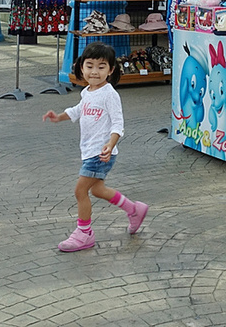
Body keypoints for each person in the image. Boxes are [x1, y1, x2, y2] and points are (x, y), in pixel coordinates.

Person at [42, 42, 149, 252]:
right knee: (98, 190)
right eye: (90, 65)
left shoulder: (109, 94)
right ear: (81, 67)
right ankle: (134, 209)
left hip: (100, 154)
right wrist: (59, 117)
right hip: (90, 152)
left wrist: (110, 144)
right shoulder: (87, 92)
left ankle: (84, 233)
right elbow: (77, 110)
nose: (94, 71)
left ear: (111, 70)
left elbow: (118, 123)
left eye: (101, 67)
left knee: (80, 190)